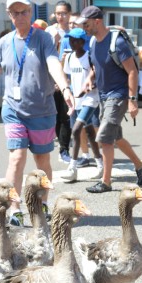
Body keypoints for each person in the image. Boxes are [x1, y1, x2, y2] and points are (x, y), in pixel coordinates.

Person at [0, 0, 74, 221]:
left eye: (24, 12)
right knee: (16, 157)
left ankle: (42, 203)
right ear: (9, 15)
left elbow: (53, 63)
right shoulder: (4, 42)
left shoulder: (43, 39)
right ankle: (14, 208)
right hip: (13, 109)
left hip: (42, 109)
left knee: (42, 161)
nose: (20, 16)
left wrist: (64, 87)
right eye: (15, 12)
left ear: (30, 13)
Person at [74, 5, 142, 193]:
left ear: (97, 21)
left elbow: (132, 71)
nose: (84, 28)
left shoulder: (117, 43)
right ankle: (139, 165)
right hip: (103, 96)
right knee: (116, 137)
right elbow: (95, 67)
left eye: (86, 24)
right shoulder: (92, 43)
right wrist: (89, 80)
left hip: (119, 95)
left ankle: (106, 182)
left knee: (104, 138)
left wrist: (132, 100)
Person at [58, 27, 102, 183]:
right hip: (76, 101)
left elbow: (97, 77)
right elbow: (66, 75)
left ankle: (72, 168)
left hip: (90, 100)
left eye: (76, 40)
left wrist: (90, 87)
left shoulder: (90, 57)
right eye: (70, 39)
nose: (72, 42)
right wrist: (67, 89)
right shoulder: (69, 57)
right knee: (89, 133)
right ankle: (101, 165)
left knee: (76, 130)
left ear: (83, 42)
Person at [46, 1, 74, 161]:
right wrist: (55, 43)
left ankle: (67, 149)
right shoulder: (49, 32)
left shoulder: (74, 32)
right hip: (54, 80)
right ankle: (62, 147)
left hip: (72, 80)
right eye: (57, 13)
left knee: (67, 116)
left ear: (69, 14)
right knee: (57, 115)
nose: (60, 17)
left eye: (63, 13)